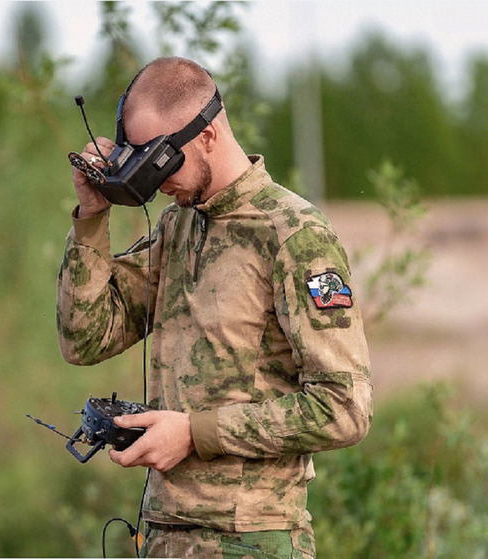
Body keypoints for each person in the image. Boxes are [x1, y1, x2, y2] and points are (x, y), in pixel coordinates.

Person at [56, 57, 372, 559]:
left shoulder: (293, 235)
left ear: (206, 135)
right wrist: (92, 217)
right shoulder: (176, 228)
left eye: (161, 161)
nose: (155, 183)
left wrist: (194, 432)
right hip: (164, 535)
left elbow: (343, 407)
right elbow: (86, 338)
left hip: (252, 539)